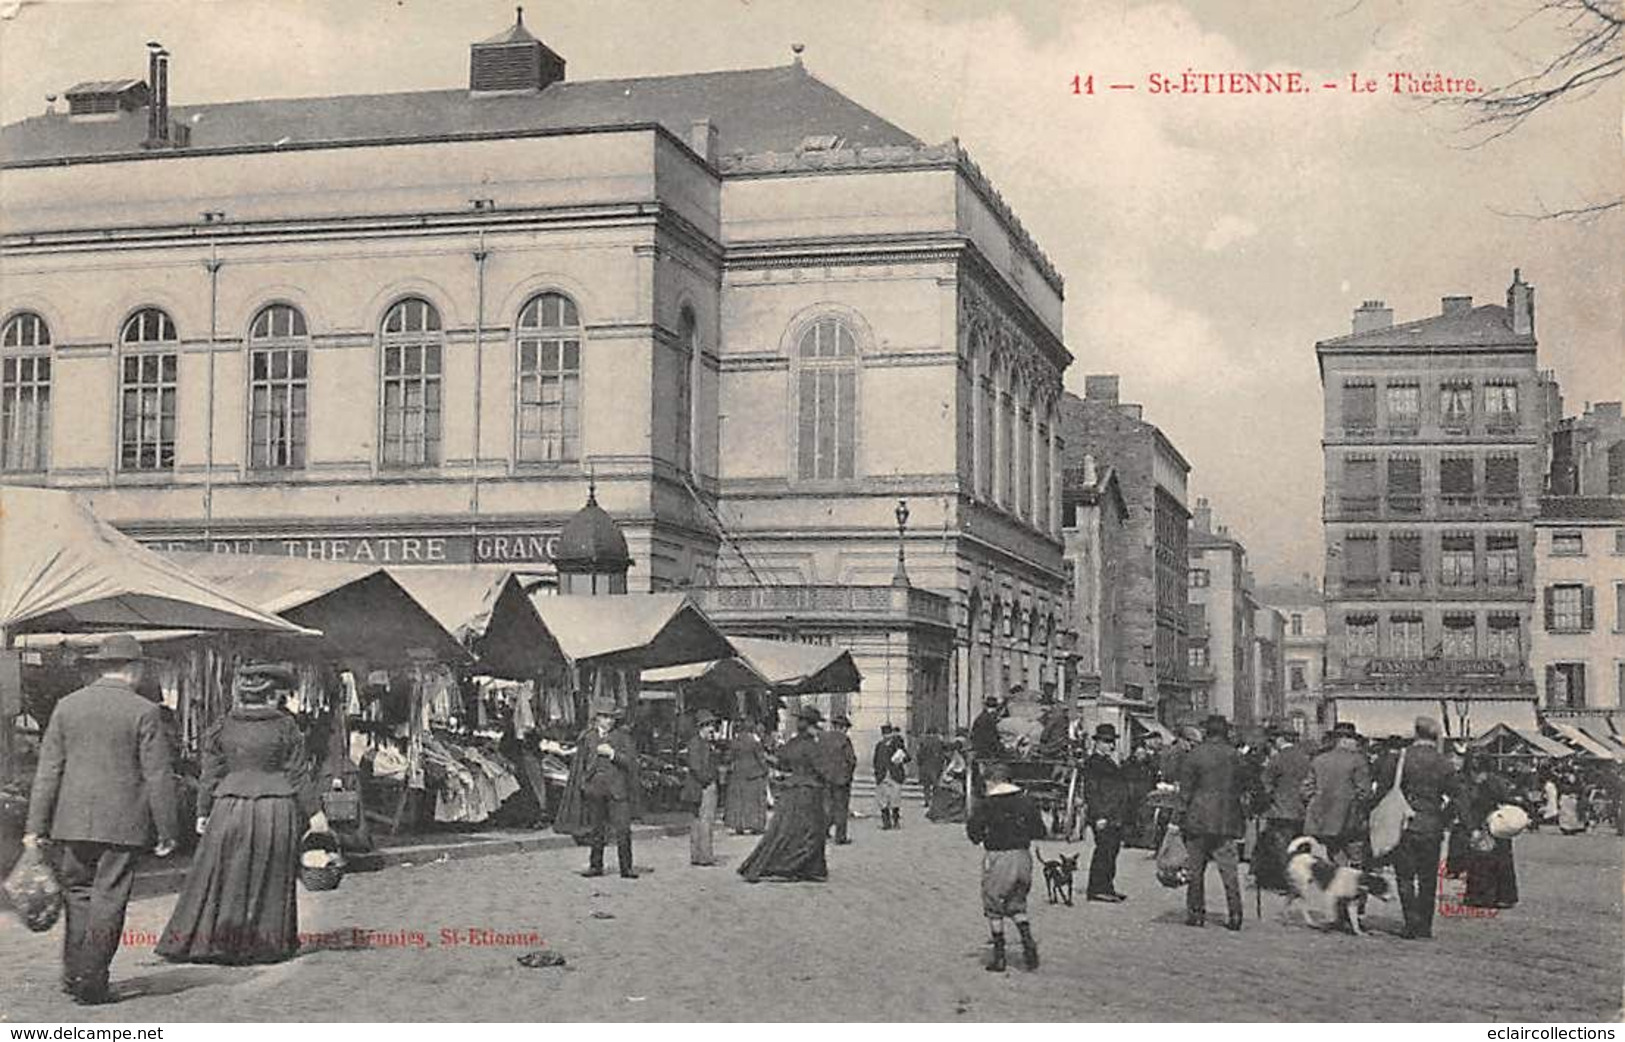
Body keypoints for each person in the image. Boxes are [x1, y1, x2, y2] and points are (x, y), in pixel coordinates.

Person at [23, 634, 180, 1005]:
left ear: (100, 667)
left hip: (71, 821)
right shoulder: (144, 711)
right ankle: (91, 980)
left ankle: (73, 972)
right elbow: (158, 775)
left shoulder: (67, 706)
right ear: (134, 669)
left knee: (77, 895)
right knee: (109, 899)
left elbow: (48, 771)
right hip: (123, 825)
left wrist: (35, 827)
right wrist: (168, 829)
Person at [158, 664, 328, 964]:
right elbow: (299, 775)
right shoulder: (286, 727)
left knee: (221, 874)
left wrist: (202, 810)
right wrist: (316, 814)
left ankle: (209, 941)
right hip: (275, 808)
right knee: (271, 875)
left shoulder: (222, 726)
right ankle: (265, 944)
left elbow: (210, 774)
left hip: (229, 806)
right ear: (274, 695)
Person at [1373, 716, 1459, 940]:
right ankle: (1425, 926)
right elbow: (1458, 796)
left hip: (1404, 824)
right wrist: (1443, 817)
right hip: (1431, 826)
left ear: (1416, 733)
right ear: (1435, 736)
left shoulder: (1401, 758)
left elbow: (1382, 791)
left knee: (1405, 876)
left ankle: (1411, 923)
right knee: (1429, 878)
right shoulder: (1444, 763)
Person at [966, 761, 1047, 971]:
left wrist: (983, 835)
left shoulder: (987, 804)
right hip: (1023, 857)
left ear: (992, 781)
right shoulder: (1026, 801)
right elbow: (1040, 830)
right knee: (1017, 903)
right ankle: (1028, 946)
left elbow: (973, 833)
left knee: (994, 905)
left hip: (999, 857)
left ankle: (999, 957)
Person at [739, 706, 835, 882]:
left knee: (782, 831)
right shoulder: (812, 745)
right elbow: (822, 769)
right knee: (811, 832)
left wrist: (765, 756)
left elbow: (781, 762)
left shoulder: (794, 743)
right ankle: (805, 868)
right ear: (813, 725)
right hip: (809, 792)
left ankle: (763, 867)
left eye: (800, 720)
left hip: (791, 791)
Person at [1177, 714, 1246, 930]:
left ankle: (1196, 913)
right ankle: (1235, 915)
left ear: (1206, 732)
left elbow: (1185, 792)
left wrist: (1178, 817)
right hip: (1227, 820)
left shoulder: (1195, 755)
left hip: (1198, 820)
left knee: (1196, 870)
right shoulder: (1235, 756)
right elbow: (1246, 786)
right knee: (1229, 871)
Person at [1303, 721, 1372, 879]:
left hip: (1325, 821)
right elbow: (1365, 792)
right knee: (1356, 857)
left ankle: (1340, 886)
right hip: (1351, 820)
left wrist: (1317, 805)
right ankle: (1353, 891)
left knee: (1335, 854)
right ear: (1347, 740)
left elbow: (1306, 789)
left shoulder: (1319, 759)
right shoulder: (1358, 760)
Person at [580, 705, 639, 879]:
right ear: (597, 718)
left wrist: (613, 754)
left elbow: (631, 762)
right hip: (596, 789)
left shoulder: (622, 737)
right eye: (605, 717)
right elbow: (581, 763)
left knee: (623, 830)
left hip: (617, 790)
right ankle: (595, 865)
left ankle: (626, 867)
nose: (609, 721)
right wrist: (585, 783)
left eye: (611, 717)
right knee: (596, 830)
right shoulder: (589, 737)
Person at [1456, 755, 1520, 909]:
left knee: (1481, 861)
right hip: (1500, 824)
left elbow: (1466, 806)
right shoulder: (1498, 781)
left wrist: (1470, 827)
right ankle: (1505, 896)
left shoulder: (1471, 784)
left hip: (1482, 824)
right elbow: (1509, 801)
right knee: (1503, 860)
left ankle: (1480, 896)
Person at [1255, 725, 1312, 892]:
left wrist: (1264, 801)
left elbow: (1265, 784)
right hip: (1301, 810)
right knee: (1299, 847)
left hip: (1280, 810)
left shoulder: (1278, 759)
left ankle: (1286, 882)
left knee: (1281, 848)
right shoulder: (1305, 758)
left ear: (1281, 739)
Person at [1082, 723, 1130, 902]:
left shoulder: (1107, 761)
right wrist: (1099, 816)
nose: (1111, 746)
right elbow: (1092, 792)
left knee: (1112, 850)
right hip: (1103, 815)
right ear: (1098, 743)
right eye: (1108, 742)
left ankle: (1107, 887)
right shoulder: (1094, 763)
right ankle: (1096, 889)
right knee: (1104, 850)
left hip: (1114, 814)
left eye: (1112, 742)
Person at [683, 710, 721, 867]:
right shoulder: (696, 743)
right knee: (705, 821)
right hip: (702, 786)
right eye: (710, 726)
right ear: (703, 727)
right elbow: (696, 766)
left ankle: (698, 855)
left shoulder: (704, 743)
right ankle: (704, 856)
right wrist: (709, 780)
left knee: (698, 821)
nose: (712, 729)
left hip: (697, 786)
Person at [724, 720, 771, 835]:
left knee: (739, 801)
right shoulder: (754, 742)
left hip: (739, 774)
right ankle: (755, 825)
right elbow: (761, 758)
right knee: (755, 801)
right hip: (754, 774)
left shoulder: (735, 741)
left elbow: (728, 757)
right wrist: (766, 770)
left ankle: (738, 825)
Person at [823, 714, 858, 844]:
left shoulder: (824, 739)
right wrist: (848, 775)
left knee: (828, 807)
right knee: (841, 808)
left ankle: (824, 831)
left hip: (827, 779)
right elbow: (852, 760)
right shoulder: (844, 740)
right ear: (842, 727)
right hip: (841, 781)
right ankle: (840, 836)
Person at [873, 724, 911, 830]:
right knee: (883, 801)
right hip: (882, 776)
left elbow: (908, 757)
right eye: (885, 735)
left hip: (895, 775)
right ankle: (886, 823)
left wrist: (900, 759)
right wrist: (877, 773)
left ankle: (896, 821)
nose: (887, 737)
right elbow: (875, 760)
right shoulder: (879, 745)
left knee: (895, 799)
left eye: (888, 734)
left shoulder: (898, 744)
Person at [928, 734, 970, 823]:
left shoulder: (957, 758)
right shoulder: (948, 759)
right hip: (948, 780)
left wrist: (952, 774)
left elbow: (960, 769)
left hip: (954, 781)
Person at [916, 728, 946, 809]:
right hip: (936, 766)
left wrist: (920, 764)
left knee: (926, 785)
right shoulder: (939, 742)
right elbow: (943, 754)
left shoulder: (923, 742)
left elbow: (919, 754)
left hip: (925, 766)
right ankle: (935, 802)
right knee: (936, 785)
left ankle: (927, 800)